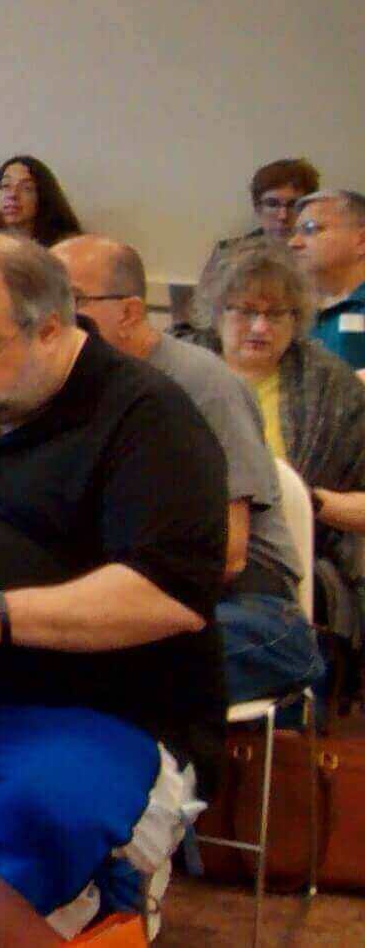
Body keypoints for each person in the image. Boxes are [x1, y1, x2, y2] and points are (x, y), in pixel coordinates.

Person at [0, 233, 225, 943]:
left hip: (95, 710)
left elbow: (168, 595)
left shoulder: (148, 417)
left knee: (42, 814)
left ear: (52, 329)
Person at [64, 235, 320, 706]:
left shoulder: (201, 386)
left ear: (131, 312)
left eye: (73, 300)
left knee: (97, 665)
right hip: (132, 592)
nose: (52, 317)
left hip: (248, 603)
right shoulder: (69, 382)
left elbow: (227, 554)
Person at [192, 243, 362, 683]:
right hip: (179, 542)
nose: (261, 326)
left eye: (279, 313)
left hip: (284, 563)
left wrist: (311, 502)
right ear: (216, 310)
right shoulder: (181, 370)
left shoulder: (334, 387)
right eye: (244, 310)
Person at [197, 158, 318, 290]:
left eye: (293, 205)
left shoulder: (322, 253)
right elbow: (204, 306)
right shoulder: (227, 254)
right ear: (257, 207)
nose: (282, 216)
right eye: (272, 204)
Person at [291, 189, 365, 368]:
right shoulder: (289, 309)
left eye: (310, 229)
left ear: (361, 241)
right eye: (294, 232)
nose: (294, 243)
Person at [0, 155, 83, 247]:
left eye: (26, 188)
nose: (12, 194)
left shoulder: (65, 248)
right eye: (6, 185)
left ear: (42, 197)